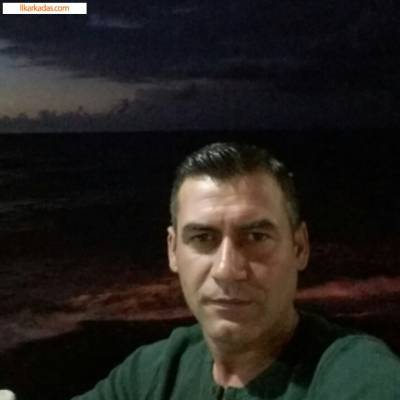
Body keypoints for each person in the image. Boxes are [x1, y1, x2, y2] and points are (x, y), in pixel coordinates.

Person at [71, 142, 400, 399]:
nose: (227, 270)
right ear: (173, 250)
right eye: (203, 238)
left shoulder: (354, 373)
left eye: (256, 237)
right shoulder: (151, 373)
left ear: (299, 247)